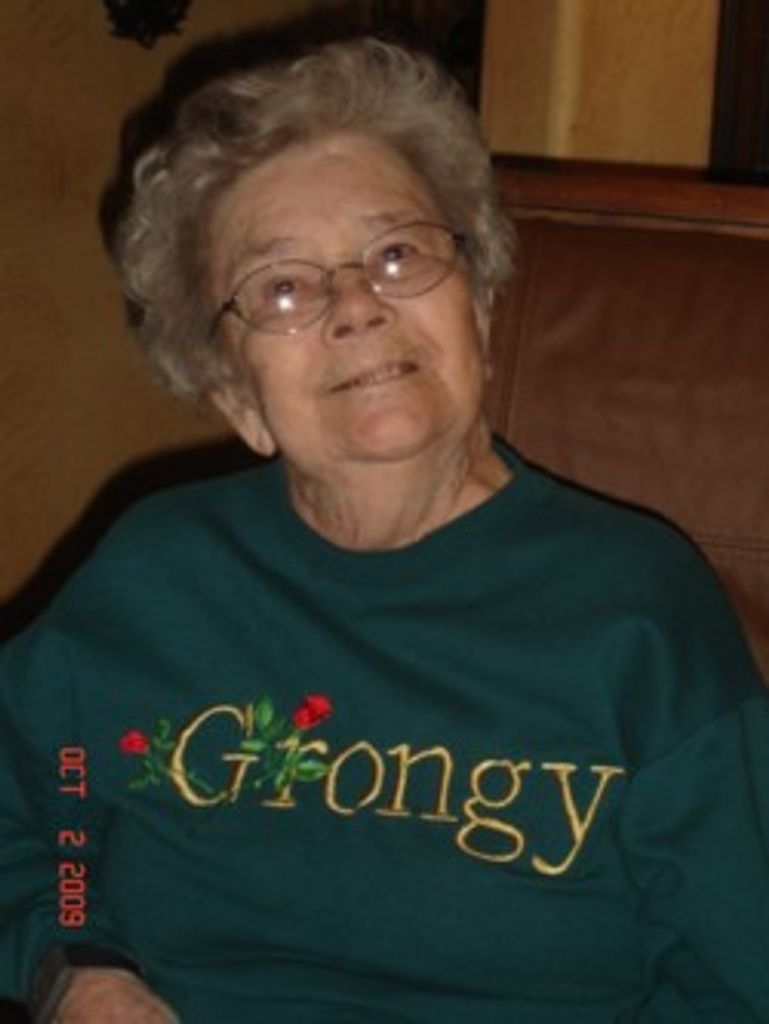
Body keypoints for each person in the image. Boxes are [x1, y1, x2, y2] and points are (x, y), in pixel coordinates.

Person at [1, 36, 768, 1024]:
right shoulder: (153, 581)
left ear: (479, 307)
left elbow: (737, 981)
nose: (356, 305)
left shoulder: (637, 613)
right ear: (233, 391)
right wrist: (74, 962)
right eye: (282, 286)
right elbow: (49, 810)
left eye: (397, 253)